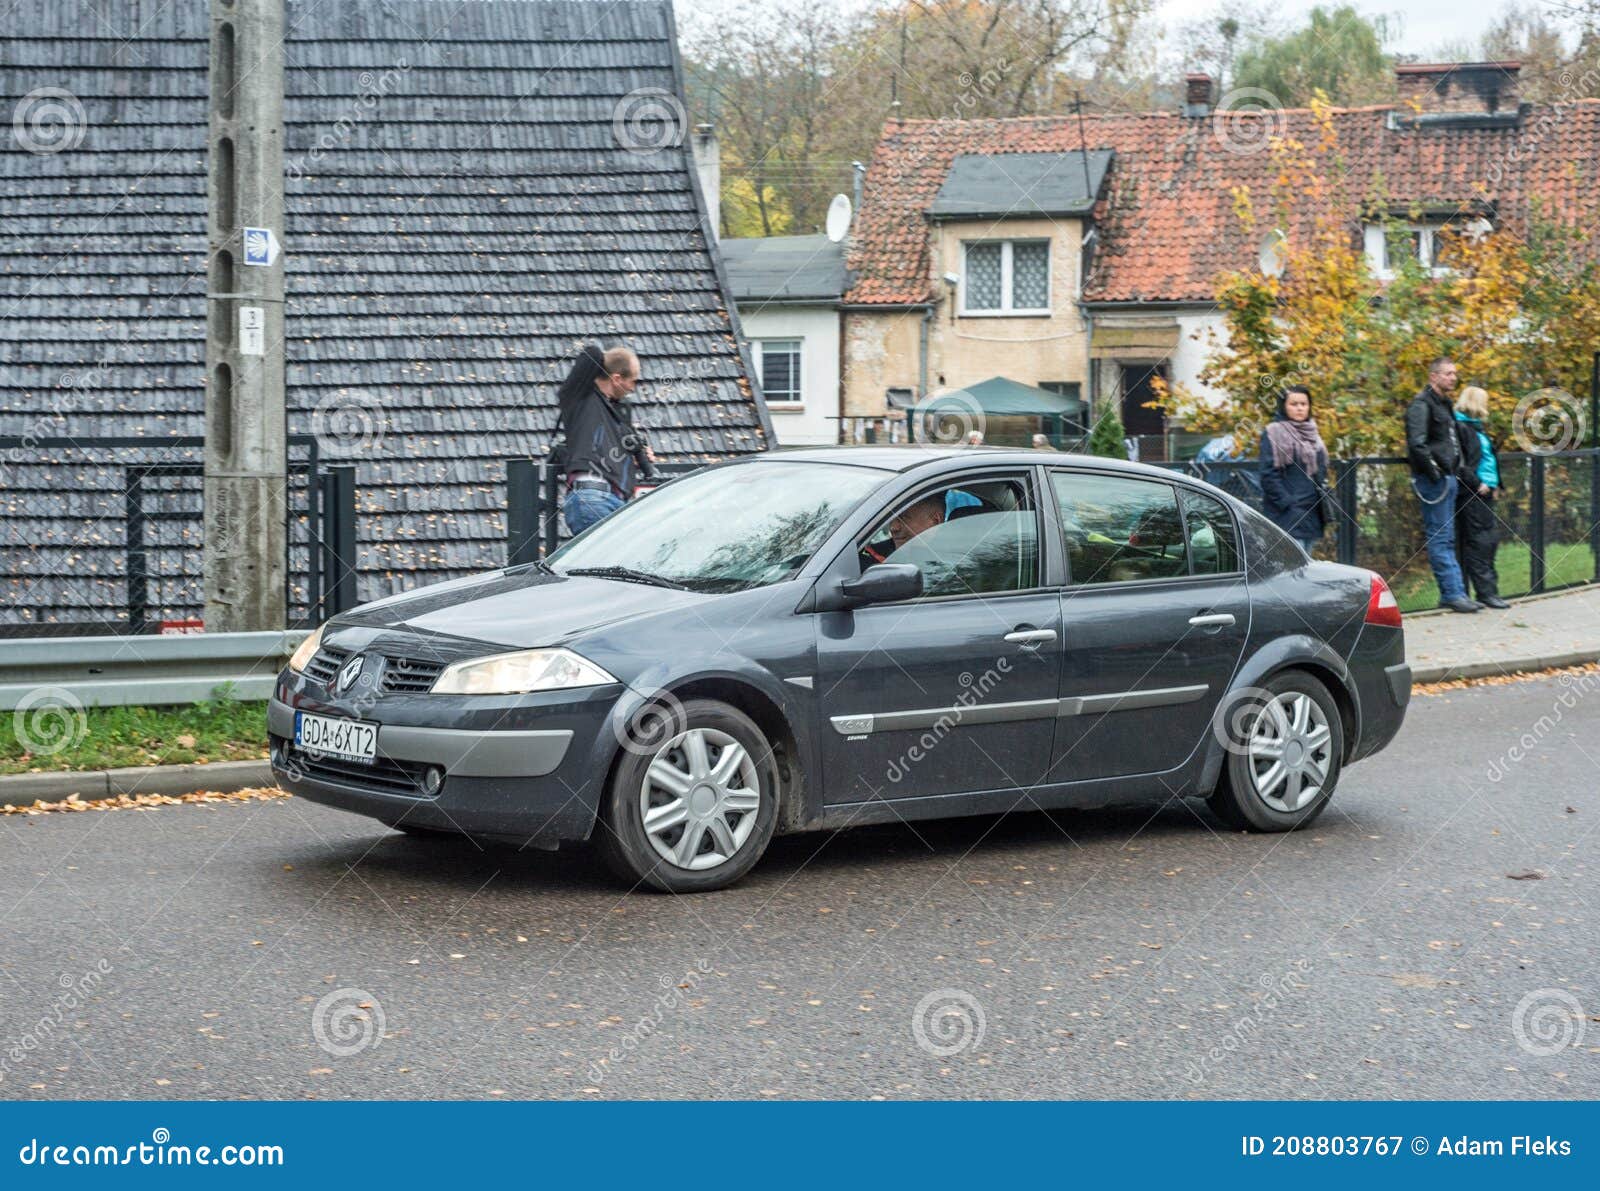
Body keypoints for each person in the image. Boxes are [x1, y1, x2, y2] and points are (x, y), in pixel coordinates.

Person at [554, 343, 655, 536]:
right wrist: (610, 359)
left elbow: (607, 449)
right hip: (593, 498)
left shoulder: (614, 413)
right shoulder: (580, 397)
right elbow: (590, 353)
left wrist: (633, 455)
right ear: (617, 378)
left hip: (612, 501)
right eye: (633, 381)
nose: (633, 388)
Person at [1406, 357, 1478, 613]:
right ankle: (1453, 594)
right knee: (1440, 538)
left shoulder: (1444, 404)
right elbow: (1417, 443)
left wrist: (1453, 471)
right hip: (1434, 482)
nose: (1453, 378)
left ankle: (1456, 593)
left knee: (1447, 538)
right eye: (1448, 374)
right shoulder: (1420, 404)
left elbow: (1450, 441)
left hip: (1449, 478)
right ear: (1433, 376)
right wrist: (1435, 473)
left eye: (1454, 373)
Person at [1453, 385, 1508, 608]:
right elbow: (1460, 463)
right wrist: (1478, 484)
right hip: (1473, 492)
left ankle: (1488, 591)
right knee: (1480, 541)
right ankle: (1485, 593)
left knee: (1488, 540)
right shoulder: (1461, 428)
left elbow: (1488, 459)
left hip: (1486, 492)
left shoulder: (1476, 428)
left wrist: (1496, 485)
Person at [1258, 384, 1328, 554]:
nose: (1299, 408)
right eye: (1294, 404)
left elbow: (1321, 471)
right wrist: (1287, 503)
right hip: (1287, 515)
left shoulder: (1314, 434)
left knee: (1307, 569)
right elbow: (1268, 475)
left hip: (1312, 512)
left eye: (1304, 404)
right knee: (1291, 569)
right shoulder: (1273, 432)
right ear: (1284, 406)